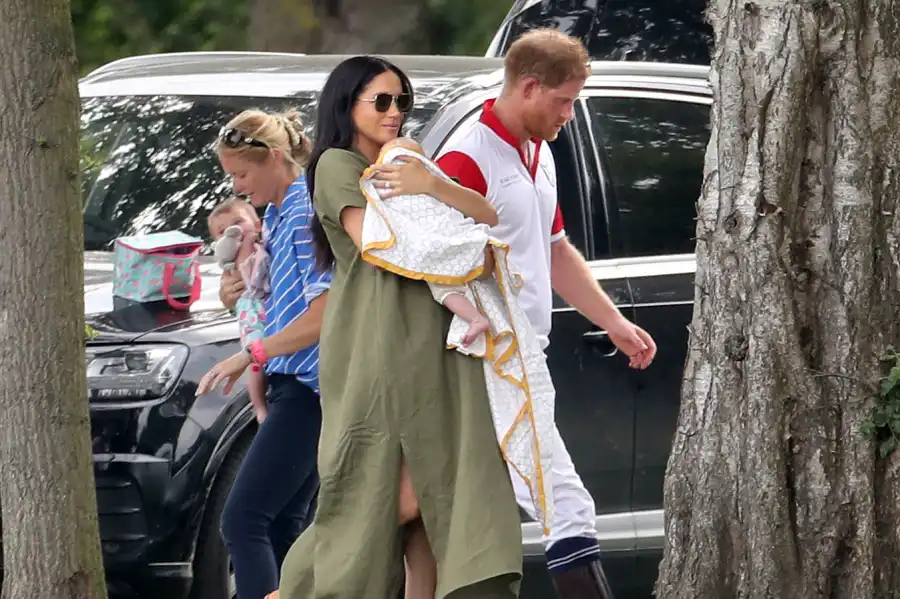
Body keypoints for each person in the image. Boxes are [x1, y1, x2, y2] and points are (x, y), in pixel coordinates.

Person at [276, 55, 523, 599]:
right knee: (379, 496)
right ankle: (296, 591)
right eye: (382, 101)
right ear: (347, 104)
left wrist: (429, 184)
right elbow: (381, 243)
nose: (395, 112)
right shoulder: (336, 165)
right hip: (377, 348)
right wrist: (461, 249)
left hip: (438, 349)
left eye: (402, 101)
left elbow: (485, 215)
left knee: (436, 504)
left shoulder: (408, 161)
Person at [433, 29, 658, 599]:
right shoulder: (466, 157)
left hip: (525, 353)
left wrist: (613, 322)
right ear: (529, 87)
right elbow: (430, 261)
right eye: (564, 101)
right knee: (564, 504)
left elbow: (554, 250)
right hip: (487, 360)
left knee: (453, 516)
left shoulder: (539, 151)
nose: (569, 115)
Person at [195, 108, 332, 599]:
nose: (237, 187)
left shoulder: (305, 213)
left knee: (242, 519)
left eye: (241, 175)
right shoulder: (275, 215)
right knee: (280, 525)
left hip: (310, 388)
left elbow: (325, 312)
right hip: (290, 383)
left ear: (274, 157)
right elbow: (279, 297)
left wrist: (251, 354)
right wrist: (237, 296)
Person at [364, 135, 490, 347]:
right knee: (444, 288)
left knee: (444, 288)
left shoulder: (427, 183)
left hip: (437, 240)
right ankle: (476, 318)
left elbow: (488, 216)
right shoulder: (394, 182)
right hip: (440, 244)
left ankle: (476, 318)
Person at [207, 197, 270, 423]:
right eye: (221, 231)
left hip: (275, 323)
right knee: (254, 363)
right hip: (251, 319)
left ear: (258, 224)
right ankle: (259, 407)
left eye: (237, 222)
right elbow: (232, 290)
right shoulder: (228, 267)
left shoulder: (268, 246)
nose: (231, 232)